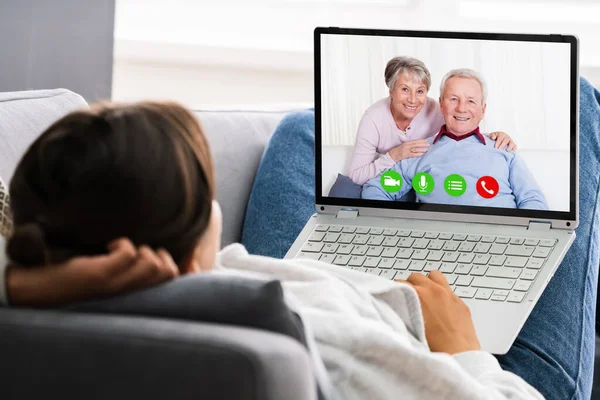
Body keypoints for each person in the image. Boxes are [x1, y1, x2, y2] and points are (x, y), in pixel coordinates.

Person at [1, 79, 599, 398]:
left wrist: (23, 281)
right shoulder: (323, 340)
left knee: (304, 130)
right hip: (464, 360)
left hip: (357, 288)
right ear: (191, 243)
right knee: (582, 104)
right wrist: (463, 346)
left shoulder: (51, 282)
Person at [361, 68, 548, 210]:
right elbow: (375, 190)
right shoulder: (418, 151)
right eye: (453, 99)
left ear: (483, 110)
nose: (461, 108)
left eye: (471, 101)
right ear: (441, 105)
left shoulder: (503, 149)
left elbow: (533, 201)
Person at [348, 56, 517, 185]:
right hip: (390, 179)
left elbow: (462, 127)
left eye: (420, 91)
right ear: (391, 91)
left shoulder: (436, 109)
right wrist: (394, 155)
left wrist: (494, 136)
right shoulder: (373, 119)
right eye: (405, 89)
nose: (413, 100)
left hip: (421, 179)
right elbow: (356, 176)